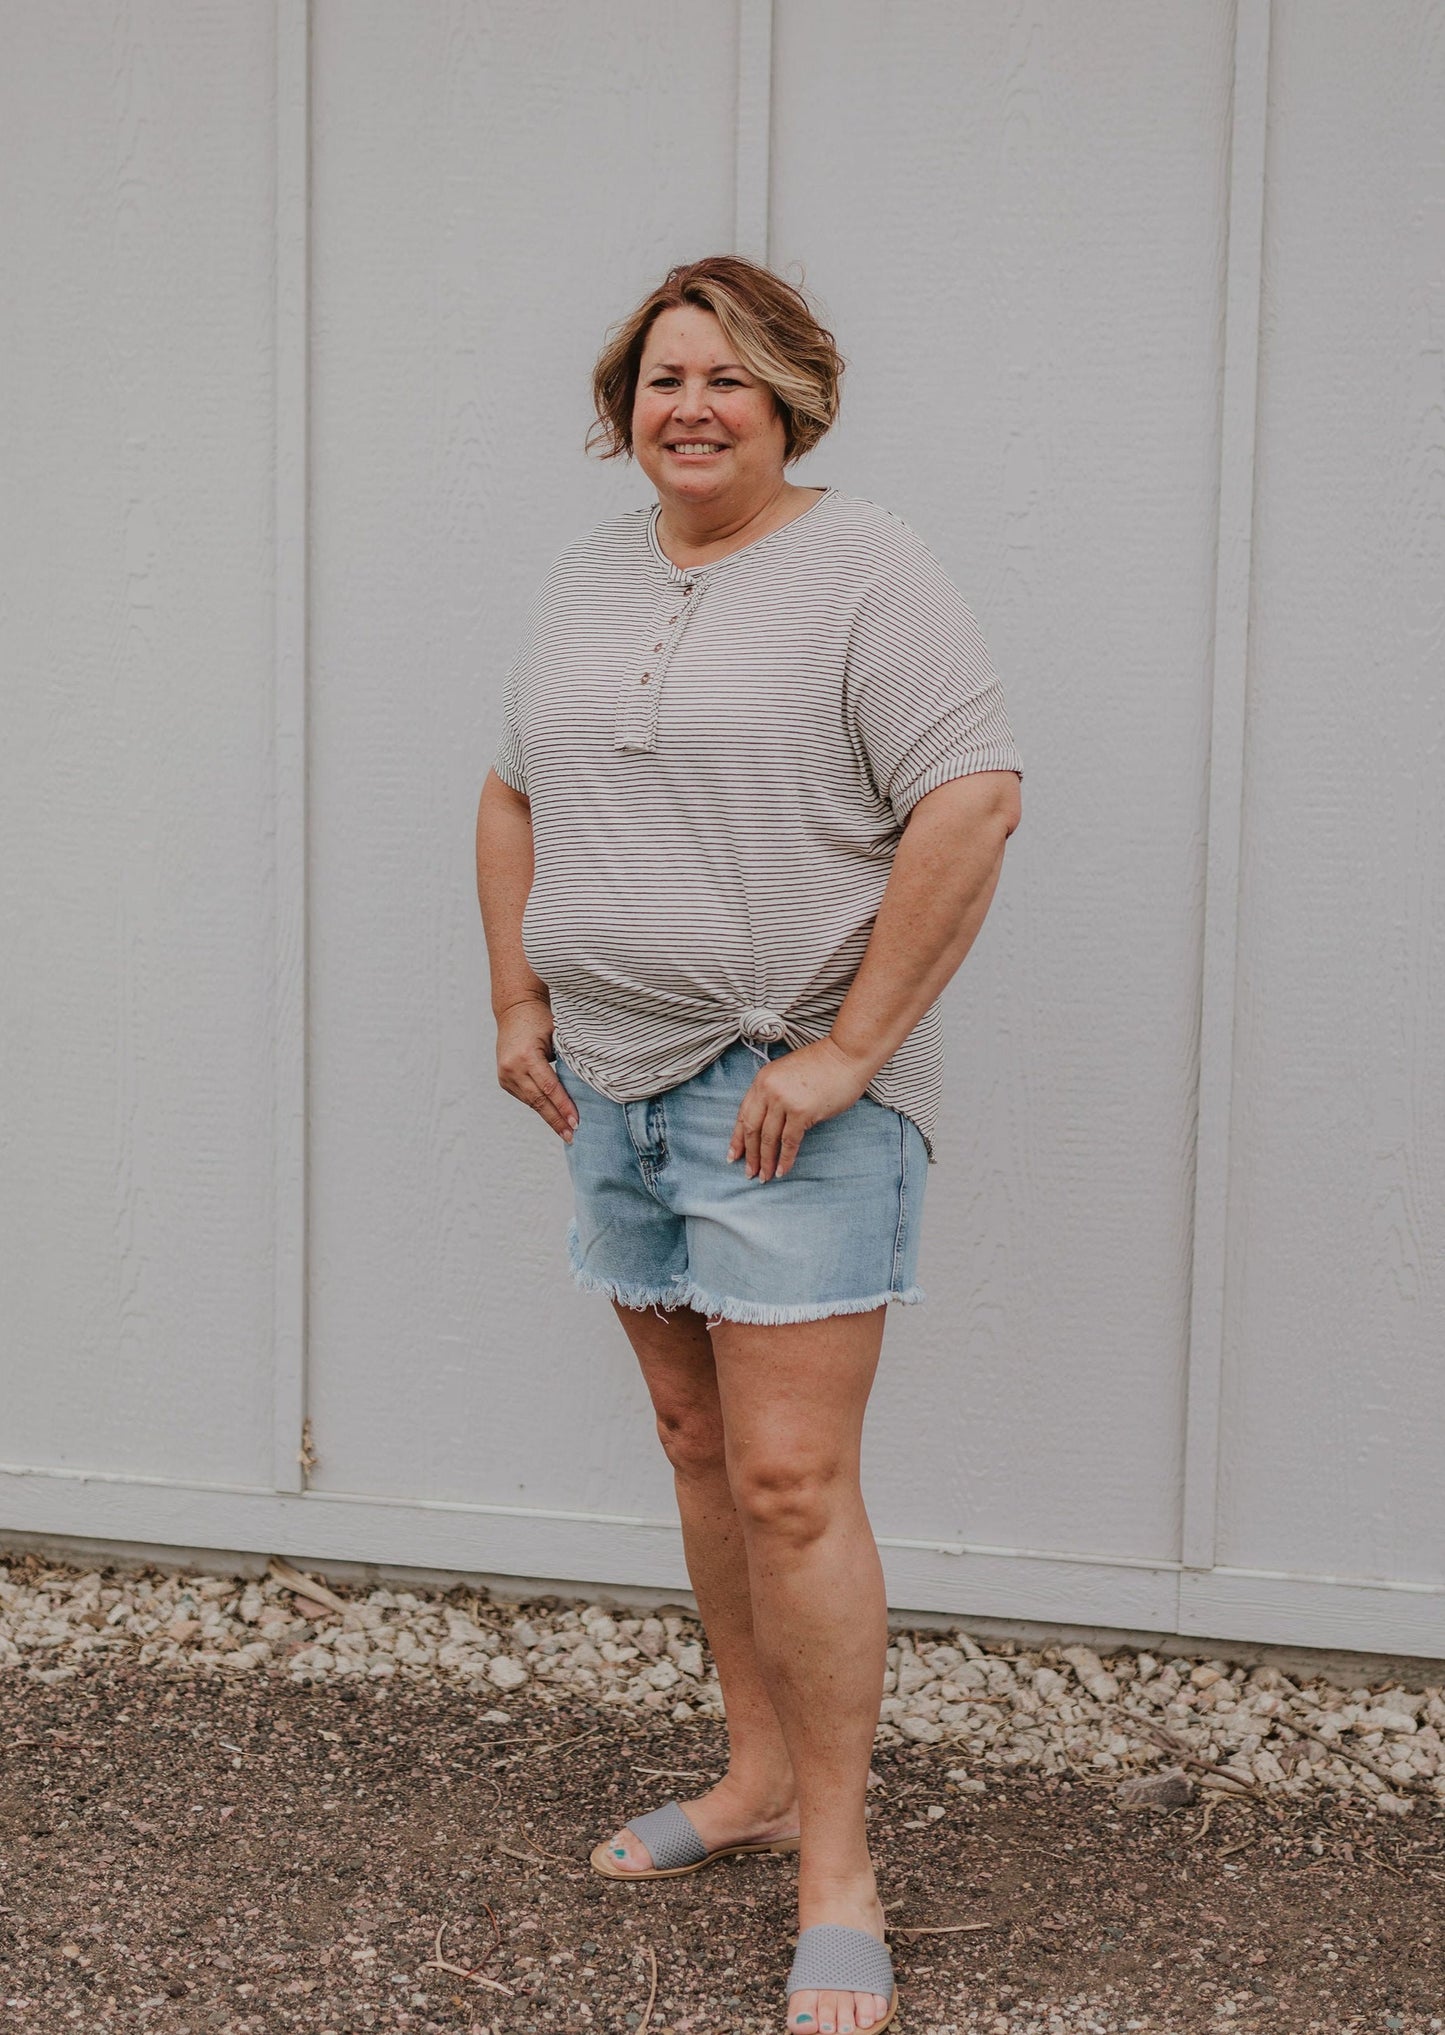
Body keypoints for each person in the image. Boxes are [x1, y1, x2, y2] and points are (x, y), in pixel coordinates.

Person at [475, 255, 1023, 2035]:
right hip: (613, 1086)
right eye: (658, 379)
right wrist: (516, 1004)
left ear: (790, 397)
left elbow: (973, 795)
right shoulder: (585, 578)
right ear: (622, 410)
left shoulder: (863, 568)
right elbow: (514, 790)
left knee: (793, 1482)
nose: (687, 405)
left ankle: (838, 1875)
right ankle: (754, 1776)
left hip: (775, 1092)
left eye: (724, 377)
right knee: (695, 1440)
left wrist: (853, 1048)